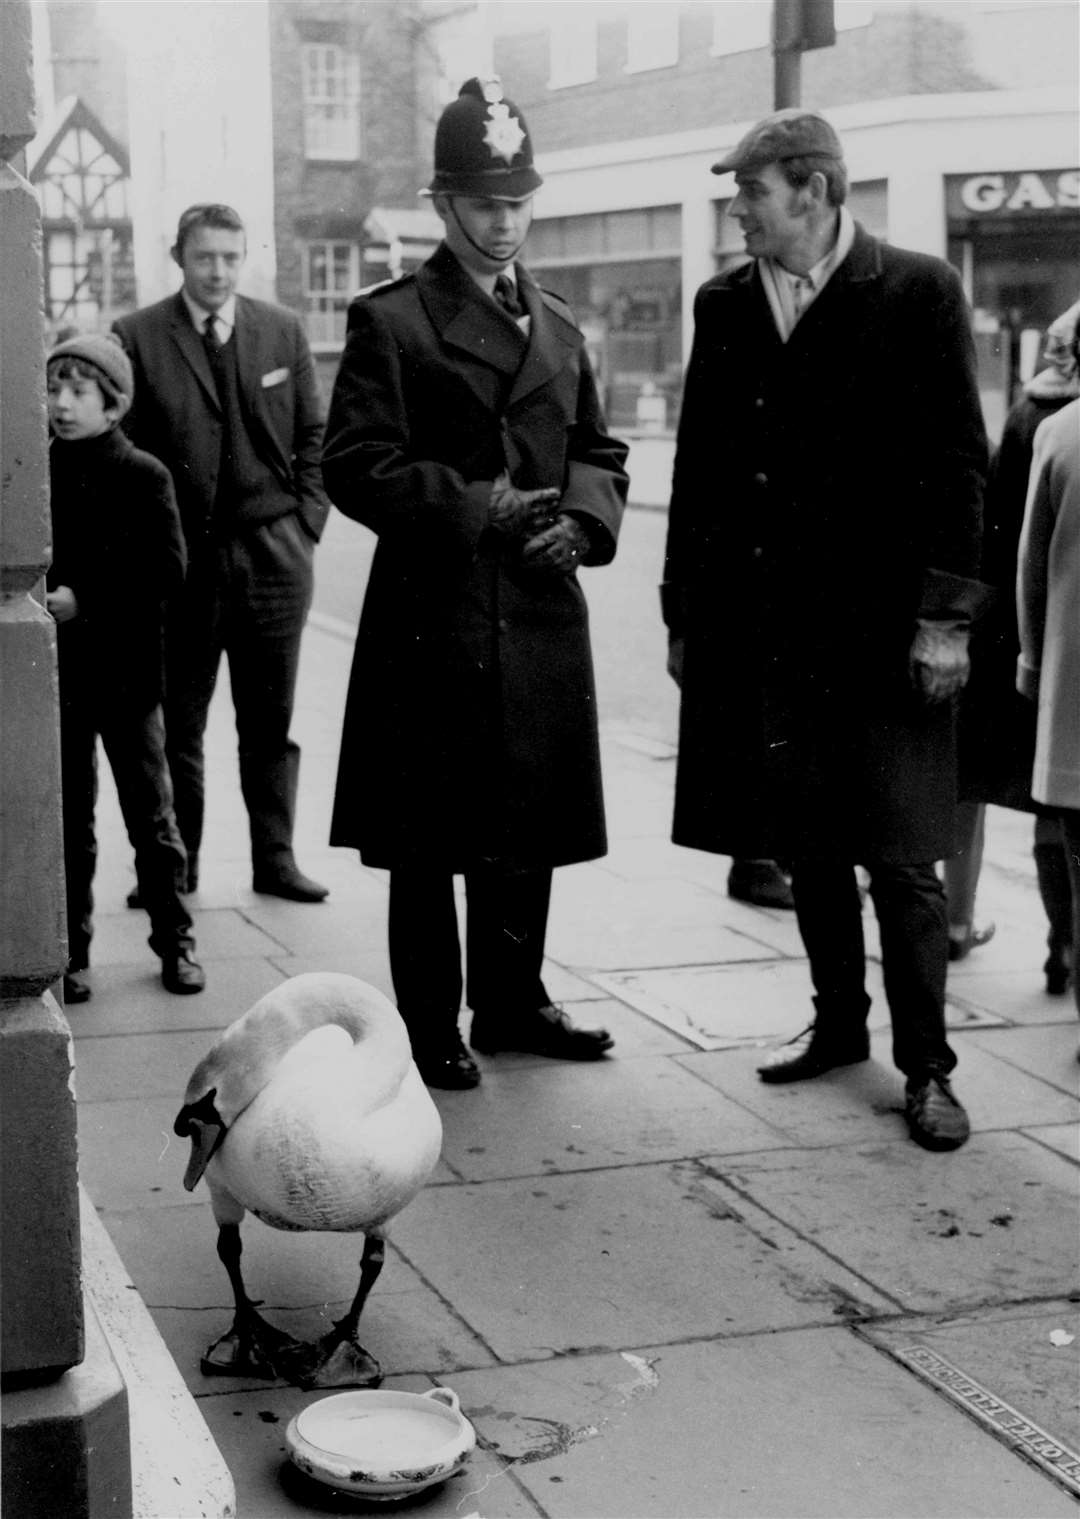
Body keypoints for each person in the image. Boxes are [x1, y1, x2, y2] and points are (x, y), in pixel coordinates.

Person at [662, 109, 989, 1151]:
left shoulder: (920, 289)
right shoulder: (724, 303)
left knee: (901, 857)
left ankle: (928, 1067)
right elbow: (699, 468)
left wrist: (944, 619)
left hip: (889, 633)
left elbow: (958, 466)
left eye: (750, 191)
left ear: (813, 190)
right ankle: (840, 1026)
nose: (736, 208)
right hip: (769, 628)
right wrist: (685, 617)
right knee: (807, 843)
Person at [322, 78, 628, 1090]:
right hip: (435, 612)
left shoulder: (560, 322)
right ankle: (430, 1019)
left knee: (526, 818)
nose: (506, 222)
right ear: (443, 207)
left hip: (538, 604)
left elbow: (599, 445)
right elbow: (355, 462)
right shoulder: (394, 322)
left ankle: (513, 996)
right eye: (487, 204)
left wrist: (583, 522)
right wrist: (475, 505)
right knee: (430, 834)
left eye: (519, 201)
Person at [113, 204, 330, 904]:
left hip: (275, 557)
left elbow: (315, 438)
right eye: (205, 257)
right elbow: (126, 457)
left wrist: (307, 525)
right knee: (182, 725)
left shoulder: (282, 330)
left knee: (270, 720)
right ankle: (179, 868)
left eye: (231, 258)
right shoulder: (139, 337)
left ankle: (276, 859)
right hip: (185, 568)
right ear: (180, 256)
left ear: (245, 259)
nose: (218, 272)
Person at [45, 333, 206, 1002]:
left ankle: (175, 941)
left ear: (113, 406)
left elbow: (167, 568)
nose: (61, 403)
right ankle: (72, 951)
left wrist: (85, 598)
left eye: (79, 392)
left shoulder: (144, 473)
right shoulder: (38, 471)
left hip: (129, 677)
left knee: (151, 817)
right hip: (64, 680)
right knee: (69, 824)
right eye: (53, 388)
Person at [948, 298, 1080, 989]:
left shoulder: (1032, 418)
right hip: (1044, 644)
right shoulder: (1059, 427)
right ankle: (1059, 943)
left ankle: (969, 921)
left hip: (1028, 645)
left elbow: (1008, 539)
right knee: (1057, 803)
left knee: (1030, 793)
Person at [1016, 359, 1080, 1031]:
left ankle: (1066, 950)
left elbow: (1030, 562)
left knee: (1072, 842)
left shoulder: (1059, 431)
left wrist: (1033, 665)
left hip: (1071, 686)